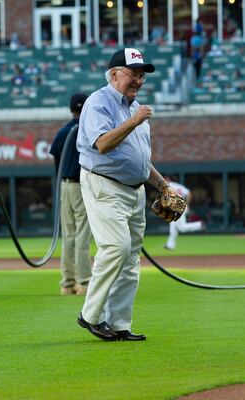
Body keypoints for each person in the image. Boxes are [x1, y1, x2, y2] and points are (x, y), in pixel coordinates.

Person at [76, 47, 170, 342]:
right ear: (114, 74)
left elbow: (140, 157)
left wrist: (161, 183)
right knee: (116, 246)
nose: (139, 80)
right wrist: (135, 120)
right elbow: (102, 144)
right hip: (105, 184)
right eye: (134, 74)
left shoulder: (135, 107)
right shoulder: (99, 102)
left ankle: (119, 323)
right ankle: (90, 316)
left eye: (142, 75)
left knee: (130, 259)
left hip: (135, 190)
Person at [49, 93, 93, 296]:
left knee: (68, 235)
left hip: (64, 185)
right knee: (82, 235)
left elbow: (56, 159)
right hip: (81, 184)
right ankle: (84, 282)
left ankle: (67, 284)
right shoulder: (88, 130)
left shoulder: (62, 132)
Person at [164, 179, 204, 251]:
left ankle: (199, 225)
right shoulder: (177, 185)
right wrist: (187, 204)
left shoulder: (169, 185)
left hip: (178, 207)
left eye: (165, 179)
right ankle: (170, 245)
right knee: (173, 228)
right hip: (178, 207)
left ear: (168, 179)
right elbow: (188, 193)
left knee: (182, 228)